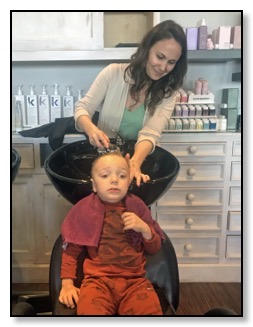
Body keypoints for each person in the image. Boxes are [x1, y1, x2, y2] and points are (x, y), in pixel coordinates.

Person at [74, 19, 187, 186]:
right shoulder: (112, 73)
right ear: (147, 49)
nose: (163, 67)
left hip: (139, 164)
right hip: (105, 165)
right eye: (160, 57)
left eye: (171, 62)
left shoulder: (168, 94)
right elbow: (82, 108)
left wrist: (134, 163)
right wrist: (92, 130)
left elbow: (151, 132)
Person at [59, 151, 165, 315]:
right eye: (105, 175)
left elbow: (155, 248)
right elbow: (70, 249)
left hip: (135, 282)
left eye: (122, 176)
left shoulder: (138, 207)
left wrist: (145, 229)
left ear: (128, 182)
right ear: (94, 185)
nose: (114, 180)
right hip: (96, 283)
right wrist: (67, 285)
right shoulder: (83, 210)